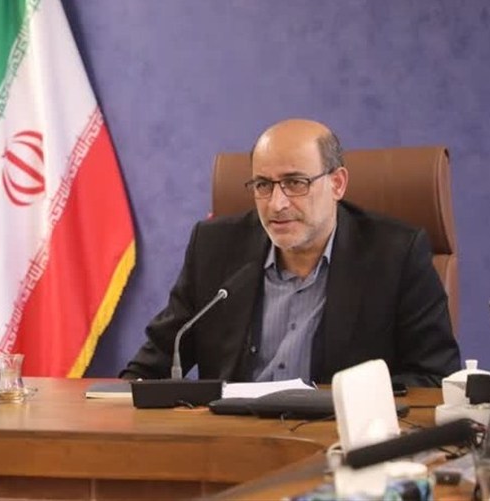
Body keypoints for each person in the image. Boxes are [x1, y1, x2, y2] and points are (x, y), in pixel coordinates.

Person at [121, 119, 461, 387]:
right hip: (231, 439)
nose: (277, 204)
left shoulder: (395, 254)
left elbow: (434, 377)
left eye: (295, 183)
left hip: (338, 440)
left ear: (337, 183)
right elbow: (152, 364)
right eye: (263, 185)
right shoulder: (214, 247)